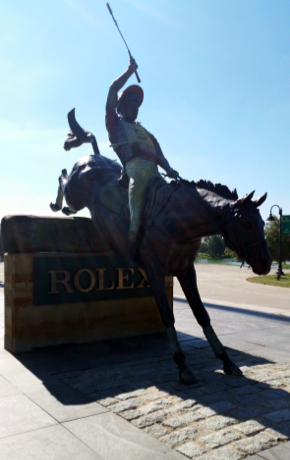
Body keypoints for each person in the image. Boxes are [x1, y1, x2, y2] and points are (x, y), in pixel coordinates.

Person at [106, 58, 179, 266]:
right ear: (122, 107)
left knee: (171, 202)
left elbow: (160, 155)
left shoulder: (147, 132)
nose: (135, 109)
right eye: (130, 104)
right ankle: (130, 251)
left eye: (137, 106)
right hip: (134, 170)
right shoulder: (114, 124)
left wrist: (170, 169)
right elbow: (112, 89)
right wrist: (130, 70)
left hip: (155, 171)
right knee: (135, 209)